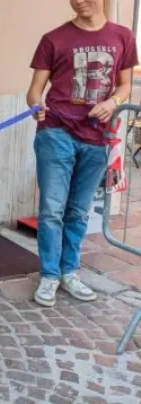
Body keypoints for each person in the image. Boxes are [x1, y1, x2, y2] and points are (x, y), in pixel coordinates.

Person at [27, 0, 137, 307]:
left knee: (79, 210)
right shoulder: (53, 38)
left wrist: (113, 103)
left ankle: (70, 272)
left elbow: (125, 84)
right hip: (56, 132)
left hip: (98, 137)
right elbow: (34, 89)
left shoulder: (123, 36)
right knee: (51, 209)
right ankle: (50, 274)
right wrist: (36, 105)